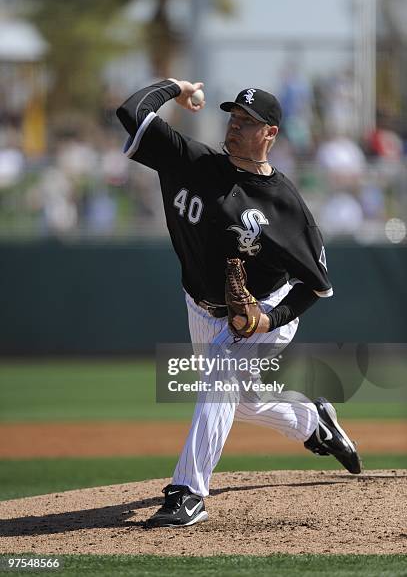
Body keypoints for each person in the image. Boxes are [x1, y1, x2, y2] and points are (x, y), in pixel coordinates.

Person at [116, 79, 361, 528]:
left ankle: (189, 493)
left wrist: (270, 319)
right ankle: (314, 422)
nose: (235, 126)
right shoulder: (191, 160)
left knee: (221, 372)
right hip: (200, 307)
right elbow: (131, 112)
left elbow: (316, 285)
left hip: (263, 310)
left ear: (269, 133)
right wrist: (175, 88)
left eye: (247, 122)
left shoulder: (284, 205)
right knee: (239, 399)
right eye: (233, 117)